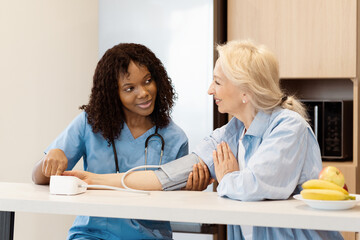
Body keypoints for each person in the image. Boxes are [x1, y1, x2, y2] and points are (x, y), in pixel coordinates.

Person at [63, 40, 343, 240]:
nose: (210, 90)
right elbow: (165, 177)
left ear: (246, 90)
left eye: (218, 82)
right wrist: (94, 179)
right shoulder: (230, 134)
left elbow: (254, 187)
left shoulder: (287, 127)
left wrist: (227, 177)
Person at [32, 43, 191, 240]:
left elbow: (176, 200)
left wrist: (189, 188)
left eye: (148, 81)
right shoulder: (89, 124)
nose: (143, 93)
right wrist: (52, 158)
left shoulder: (175, 138)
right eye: (129, 88)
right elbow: (38, 177)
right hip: (92, 234)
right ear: (112, 93)